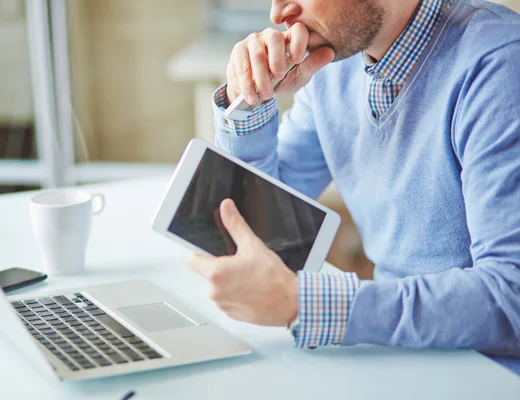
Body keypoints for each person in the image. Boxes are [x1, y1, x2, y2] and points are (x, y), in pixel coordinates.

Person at [186, 0, 520, 375]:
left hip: (490, 374)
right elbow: (257, 228)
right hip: (398, 356)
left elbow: (512, 300)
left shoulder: (501, 65)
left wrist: (303, 303)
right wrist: (249, 98)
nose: (278, 14)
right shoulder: (336, 66)